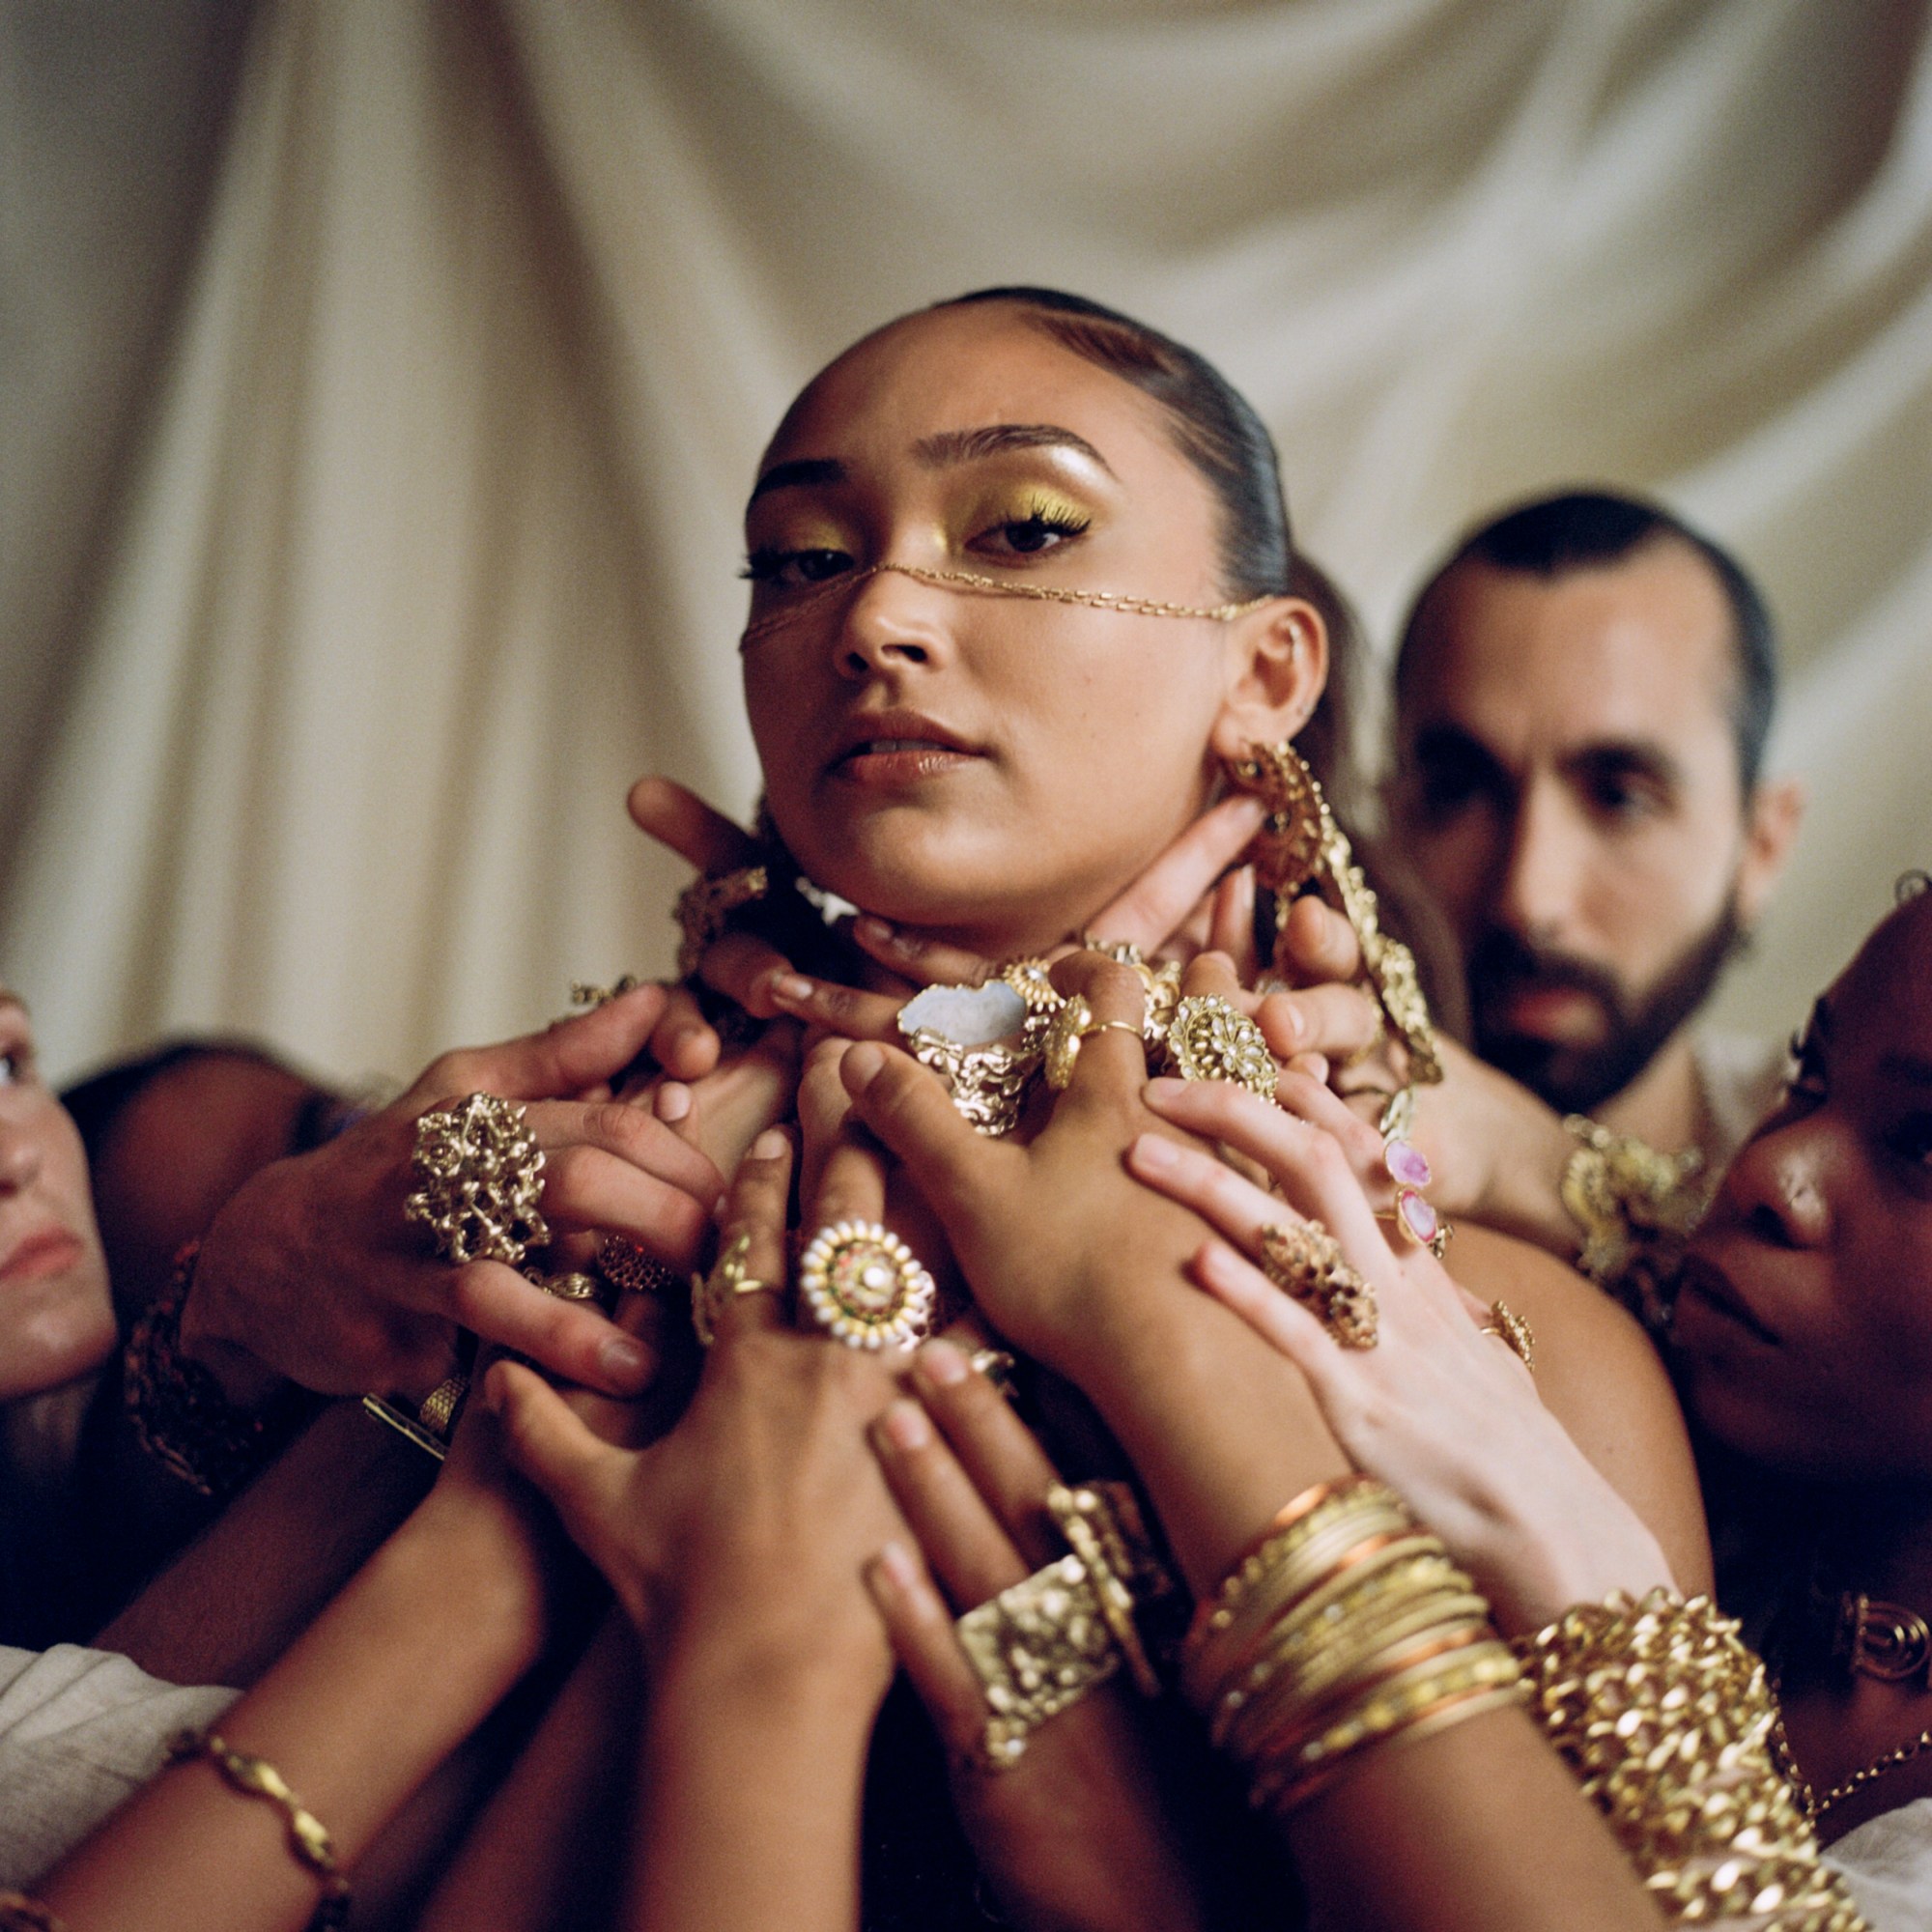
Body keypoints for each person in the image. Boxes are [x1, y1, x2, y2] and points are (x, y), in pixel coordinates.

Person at [1388, 490, 1805, 1171]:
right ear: (1389, 819)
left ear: (1761, 847)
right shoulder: (1279, 1146)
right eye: (1458, 791)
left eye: (1620, 798)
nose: (1528, 899)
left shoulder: (1861, 1185)